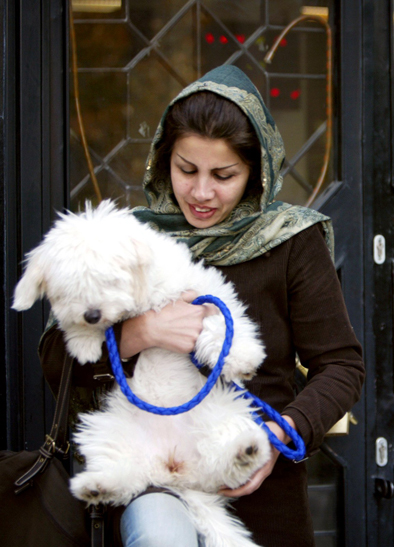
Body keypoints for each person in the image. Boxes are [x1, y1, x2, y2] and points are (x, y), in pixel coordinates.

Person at [38, 65, 365, 546]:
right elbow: (56, 363)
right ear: (163, 160)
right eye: (186, 170)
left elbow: (341, 365)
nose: (202, 192)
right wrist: (142, 332)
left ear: (255, 173)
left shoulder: (292, 240)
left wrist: (281, 434)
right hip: (149, 482)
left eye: (224, 175)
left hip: (256, 481)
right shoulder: (130, 238)